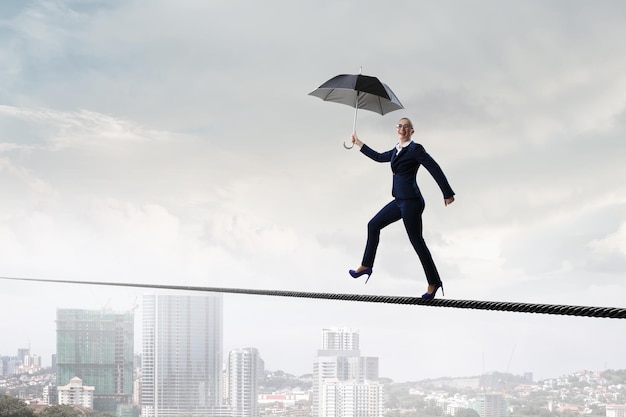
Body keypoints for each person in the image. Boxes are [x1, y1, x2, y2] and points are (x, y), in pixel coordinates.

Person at [348, 117, 455, 299]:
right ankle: (366, 266)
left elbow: (433, 167)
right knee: (373, 225)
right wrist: (359, 143)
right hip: (399, 200)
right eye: (400, 126)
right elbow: (379, 157)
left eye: (406, 127)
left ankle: (434, 282)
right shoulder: (396, 150)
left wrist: (447, 193)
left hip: (411, 202)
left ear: (412, 131)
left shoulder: (415, 149)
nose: (402, 129)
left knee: (416, 242)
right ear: (396, 129)